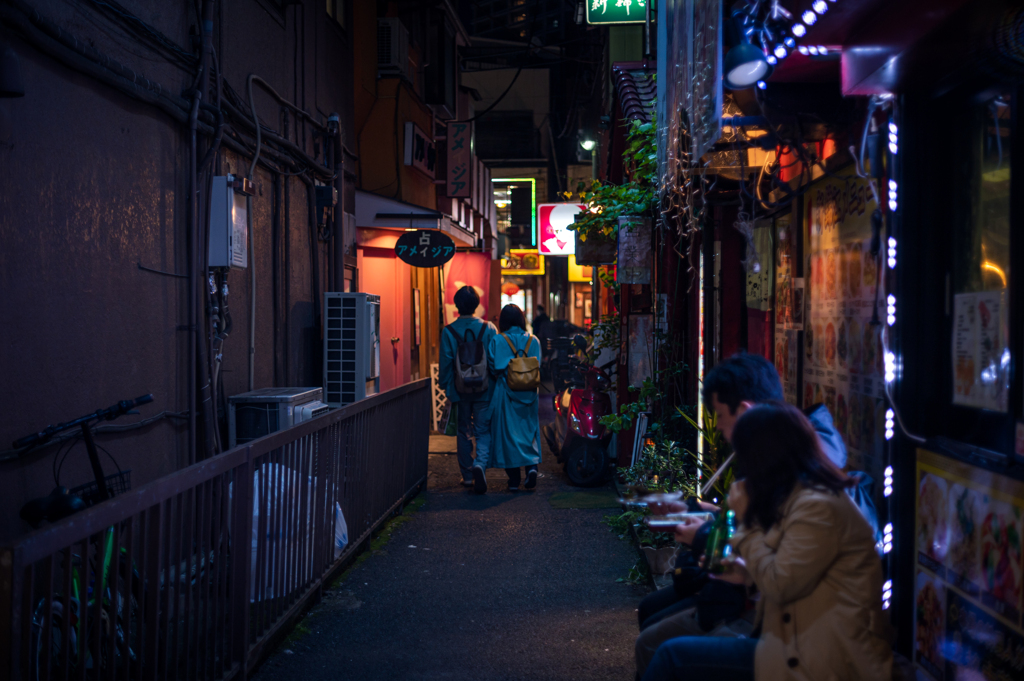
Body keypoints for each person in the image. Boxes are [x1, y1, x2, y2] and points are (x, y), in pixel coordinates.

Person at [643, 402, 892, 681]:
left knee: (671, 657)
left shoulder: (818, 506)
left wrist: (742, 524)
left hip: (824, 658)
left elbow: (779, 583)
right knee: (665, 640)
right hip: (798, 639)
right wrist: (745, 575)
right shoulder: (802, 494)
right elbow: (792, 573)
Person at [470, 304, 541, 494]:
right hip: (529, 394)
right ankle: (532, 469)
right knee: (529, 431)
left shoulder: (497, 340)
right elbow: (539, 366)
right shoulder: (534, 340)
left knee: (509, 436)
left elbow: (493, 368)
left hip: (505, 392)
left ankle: (513, 480)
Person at [439, 286, 496, 487]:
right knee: (482, 430)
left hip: (459, 389)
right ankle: (480, 464)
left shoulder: (449, 331)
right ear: (477, 305)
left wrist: (445, 387)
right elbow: (494, 360)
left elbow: (446, 362)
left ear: (456, 305)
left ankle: (468, 474)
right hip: (484, 389)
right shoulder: (488, 329)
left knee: (463, 431)